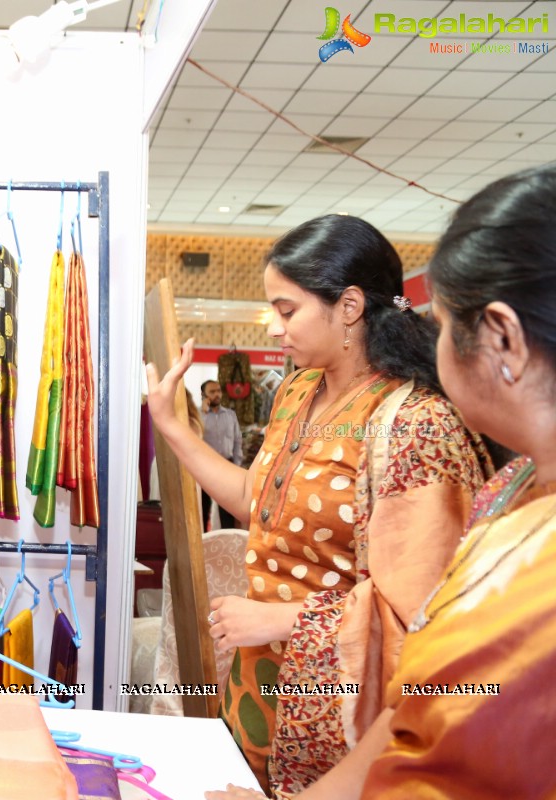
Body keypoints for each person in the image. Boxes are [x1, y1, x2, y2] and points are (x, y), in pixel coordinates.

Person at [204, 166, 556, 800]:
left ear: (502, 335)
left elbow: (422, 664)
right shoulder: (519, 492)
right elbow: (420, 697)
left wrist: (285, 621)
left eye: (445, 324)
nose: (432, 340)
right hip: (280, 704)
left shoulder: (418, 423)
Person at [145, 214, 492, 796]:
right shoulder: (297, 392)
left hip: (345, 708)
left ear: (350, 306)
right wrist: (172, 426)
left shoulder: (414, 424)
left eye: (287, 311)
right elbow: (255, 499)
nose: (275, 329)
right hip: (259, 683)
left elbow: (426, 614)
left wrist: (287, 619)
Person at [201, 379, 243, 529]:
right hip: (205, 467)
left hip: (227, 463)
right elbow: (195, 436)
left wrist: (237, 464)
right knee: (203, 507)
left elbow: (238, 440)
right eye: (212, 392)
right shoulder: (199, 416)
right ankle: (202, 543)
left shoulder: (230, 415)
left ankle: (228, 541)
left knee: (228, 509)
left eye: (218, 390)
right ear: (203, 395)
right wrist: (203, 412)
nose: (217, 394)